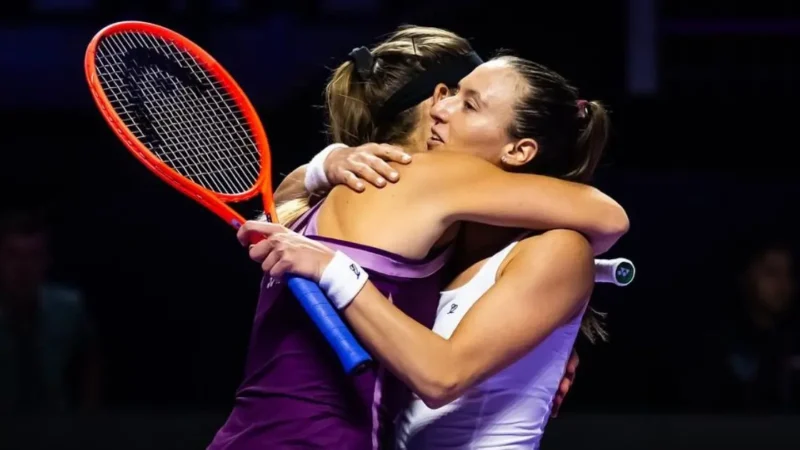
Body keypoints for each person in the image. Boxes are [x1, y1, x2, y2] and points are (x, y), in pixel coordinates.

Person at [209, 26, 627, 450]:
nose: (442, 108)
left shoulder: (338, 198)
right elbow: (609, 217)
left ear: (520, 150)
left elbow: (443, 370)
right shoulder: (433, 206)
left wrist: (323, 166)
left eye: (468, 104)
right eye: (451, 94)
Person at [0, 209, 101, 414]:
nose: (23, 268)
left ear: (46, 261)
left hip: (55, 423)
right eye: (13, 255)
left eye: (33, 256)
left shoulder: (68, 307)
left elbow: (92, 358)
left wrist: (88, 416)